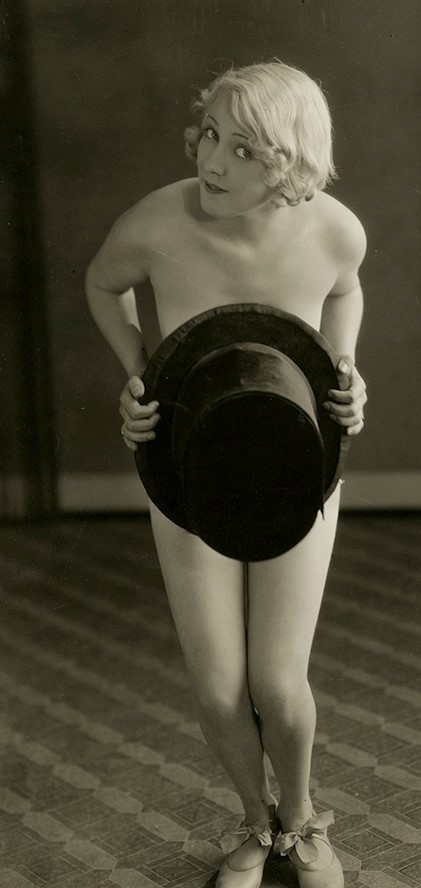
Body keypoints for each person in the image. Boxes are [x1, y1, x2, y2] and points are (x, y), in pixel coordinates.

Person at [86, 60, 367, 888]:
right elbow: (103, 283)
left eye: (243, 149)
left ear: (289, 161)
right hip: (186, 468)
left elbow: (345, 292)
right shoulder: (156, 222)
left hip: (298, 466)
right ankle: (254, 821)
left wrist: (345, 368)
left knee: (276, 684)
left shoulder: (335, 231)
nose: (212, 161)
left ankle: (302, 823)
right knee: (217, 691)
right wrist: (140, 373)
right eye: (210, 135)